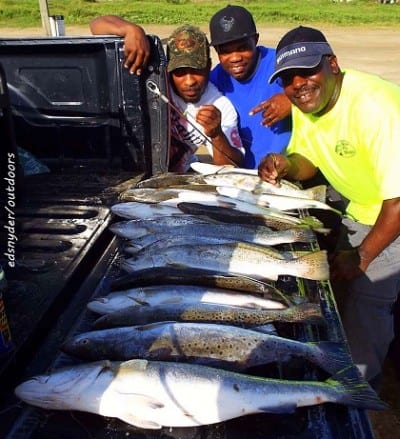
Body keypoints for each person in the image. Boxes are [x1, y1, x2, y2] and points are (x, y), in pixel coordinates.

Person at [258, 25, 400, 390]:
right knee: (344, 292)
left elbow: (398, 202)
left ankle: (358, 393)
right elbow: (310, 159)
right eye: (289, 78)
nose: (299, 84)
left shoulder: (376, 107)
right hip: (362, 209)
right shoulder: (310, 105)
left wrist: (364, 254)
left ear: (333, 64)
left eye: (308, 70)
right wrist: (285, 163)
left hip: (390, 216)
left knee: (365, 309)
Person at [90, 17, 244, 172]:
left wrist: (216, 134)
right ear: (168, 69)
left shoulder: (220, 106)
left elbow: (230, 167)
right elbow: (96, 25)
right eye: (180, 73)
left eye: (196, 71)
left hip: (174, 175)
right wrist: (132, 30)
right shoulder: (155, 81)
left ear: (208, 66)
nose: (189, 81)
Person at [208, 5, 292, 168]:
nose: (235, 58)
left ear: (255, 40)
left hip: (288, 170)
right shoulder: (215, 79)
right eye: (225, 51)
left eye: (242, 48)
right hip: (242, 176)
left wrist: (292, 101)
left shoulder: (281, 63)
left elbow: (325, 89)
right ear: (217, 51)